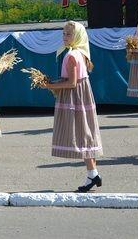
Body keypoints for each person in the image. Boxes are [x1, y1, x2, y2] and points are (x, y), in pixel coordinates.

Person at [41, 21, 103, 193]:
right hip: (82, 97)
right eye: (63, 33)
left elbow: (72, 83)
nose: (64, 37)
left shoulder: (72, 56)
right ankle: (93, 173)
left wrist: (49, 86)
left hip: (75, 99)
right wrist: (52, 82)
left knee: (82, 136)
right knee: (85, 135)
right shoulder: (79, 53)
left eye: (68, 34)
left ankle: (93, 174)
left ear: (76, 36)